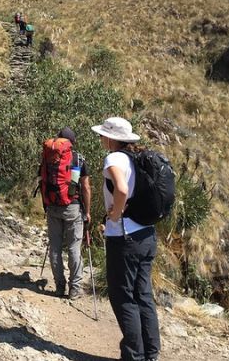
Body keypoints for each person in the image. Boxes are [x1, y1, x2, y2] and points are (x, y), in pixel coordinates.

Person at [91, 117, 160, 361]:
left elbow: (120, 189)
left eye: (102, 135)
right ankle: (151, 354)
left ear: (111, 138)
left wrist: (114, 214)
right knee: (143, 295)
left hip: (125, 236)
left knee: (123, 296)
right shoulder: (136, 158)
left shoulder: (114, 158)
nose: (100, 139)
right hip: (147, 234)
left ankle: (133, 356)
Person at [40, 127, 92, 300]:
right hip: (73, 208)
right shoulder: (78, 158)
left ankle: (59, 287)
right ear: (71, 142)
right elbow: (85, 187)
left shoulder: (47, 157)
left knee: (54, 248)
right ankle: (74, 289)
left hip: (52, 207)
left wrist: (46, 204)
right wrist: (88, 211)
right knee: (73, 248)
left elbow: (42, 181)